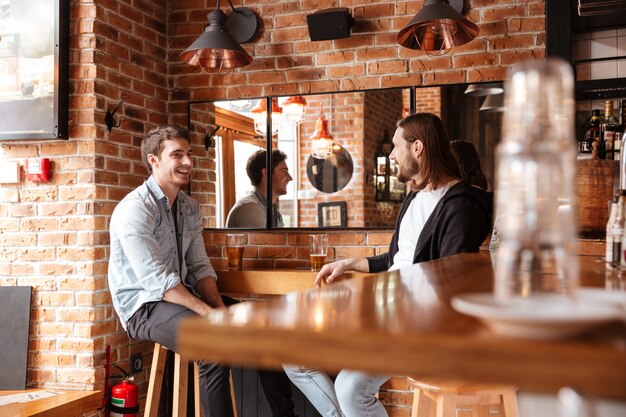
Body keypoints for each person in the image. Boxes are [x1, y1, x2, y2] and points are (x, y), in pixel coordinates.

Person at [283, 113, 493, 417]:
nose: (391, 155)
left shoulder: (461, 206)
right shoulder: (414, 198)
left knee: (350, 387)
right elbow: (397, 259)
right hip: (386, 312)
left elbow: (450, 283)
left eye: (396, 147)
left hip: (419, 327)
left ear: (417, 147)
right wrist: (348, 264)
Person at [108, 125, 296, 417]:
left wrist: (219, 307)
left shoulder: (189, 207)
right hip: (144, 306)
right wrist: (212, 316)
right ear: (153, 160)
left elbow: (199, 266)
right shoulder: (135, 209)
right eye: (177, 155)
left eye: (189, 154)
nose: (187, 162)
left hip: (182, 297)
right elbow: (159, 282)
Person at [226, 149, 293, 228]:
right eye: (284, 172)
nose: (290, 178)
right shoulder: (250, 209)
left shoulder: (273, 209)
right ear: (266, 173)